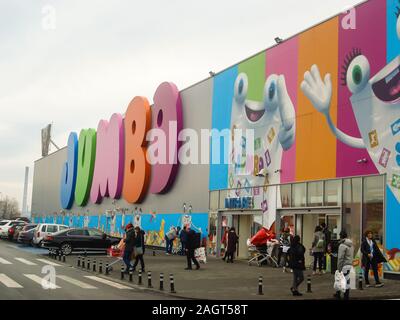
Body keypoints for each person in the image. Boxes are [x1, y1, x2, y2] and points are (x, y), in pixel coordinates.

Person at [334, 230, 354, 300]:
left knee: (339, 279)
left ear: (340, 237)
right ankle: (346, 296)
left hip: (344, 265)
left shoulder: (342, 245)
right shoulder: (351, 244)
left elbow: (340, 258)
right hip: (350, 264)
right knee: (347, 281)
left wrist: (339, 268)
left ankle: (338, 294)